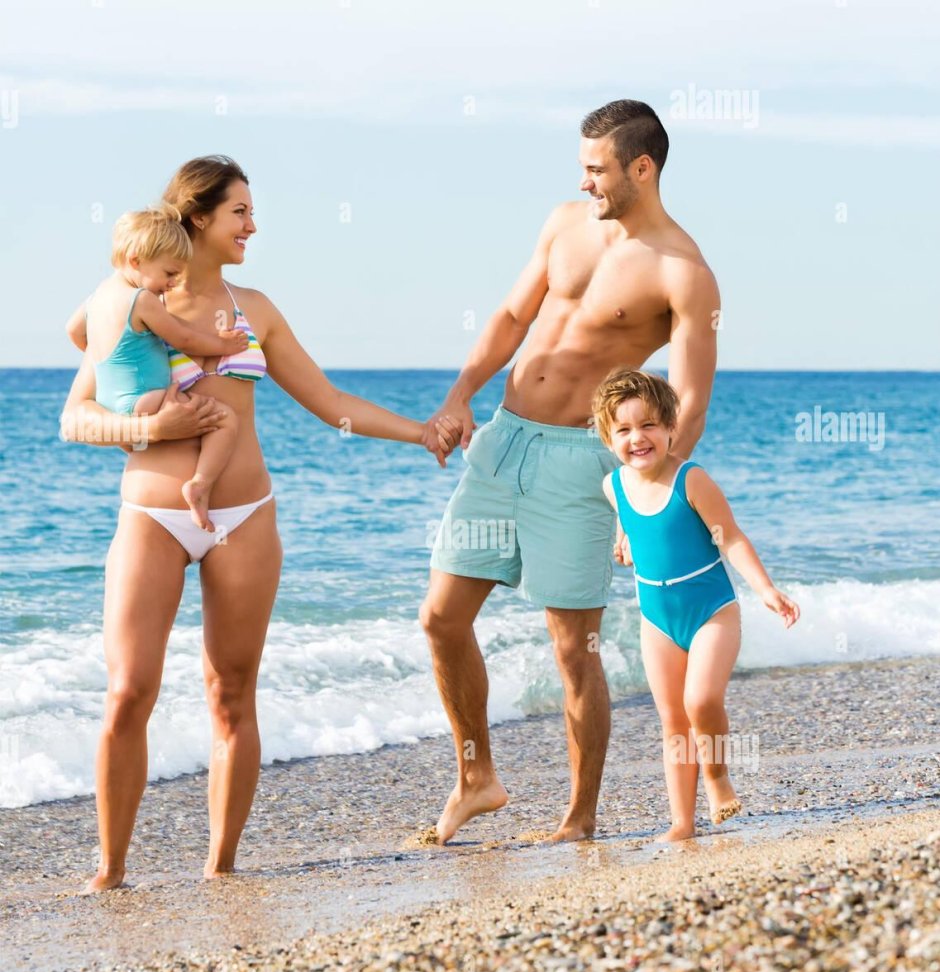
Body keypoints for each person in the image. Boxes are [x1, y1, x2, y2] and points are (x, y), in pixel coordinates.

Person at [60, 155, 457, 892]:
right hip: (151, 512)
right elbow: (75, 415)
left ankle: (221, 868)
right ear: (199, 217)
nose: (252, 224)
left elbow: (329, 400)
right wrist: (148, 431)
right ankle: (109, 872)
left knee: (231, 692)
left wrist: (420, 430)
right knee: (128, 690)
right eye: (239, 211)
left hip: (243, 514)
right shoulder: (133, 298)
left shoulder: (256, 310)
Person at [422, 99, 722, 844]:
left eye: (598, 168)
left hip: (585, 465)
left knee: (573, 647)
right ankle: (477, 775)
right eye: (582, 168)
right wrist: (461, 395)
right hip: (503, 441)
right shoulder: (563, 223)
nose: (585, 181)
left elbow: (685, 405)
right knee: (441, 617)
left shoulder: (683, 272)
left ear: (641, 168)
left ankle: (579, 818)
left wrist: (643, 498)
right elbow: (511, 317)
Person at [594, 368, 800, 840]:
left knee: (701, 699)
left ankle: (718, 777)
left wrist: (765, 590)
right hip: (657, 618)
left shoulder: (691, 479)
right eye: (623, 429)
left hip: (712, 610)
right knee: (672, 721)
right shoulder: (614, 486)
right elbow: (631, 522)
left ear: (670, 429)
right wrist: (624, 540)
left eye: (648, 425)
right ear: (608, 439)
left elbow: (731, 539)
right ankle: (682, 823)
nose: (637, 438)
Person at [67, 203, 251, 531]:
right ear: (136, 261)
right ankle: (200, 484)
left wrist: (100, 353)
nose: (171, 283)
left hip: (113, 405)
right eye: (169, 273)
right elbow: (184, 339)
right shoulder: (141, 300)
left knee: (145, 446)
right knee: (224, 420)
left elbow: (73, 330)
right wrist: (225, 345)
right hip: (144, 400)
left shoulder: (95, 298)